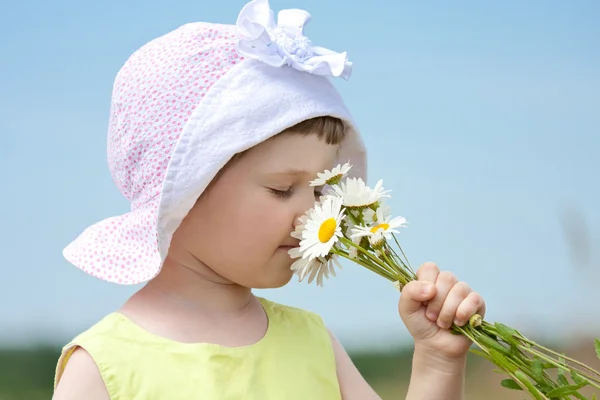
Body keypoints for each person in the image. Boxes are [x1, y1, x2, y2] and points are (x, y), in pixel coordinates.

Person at [52, 0, 486, 398]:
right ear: (185, 189)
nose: (316, 212)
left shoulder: (312, 341)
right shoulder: (103, 368)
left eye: (321, 189)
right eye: (282, 189)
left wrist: (436, 362)